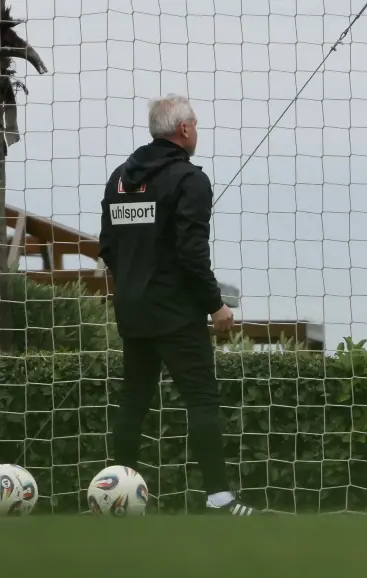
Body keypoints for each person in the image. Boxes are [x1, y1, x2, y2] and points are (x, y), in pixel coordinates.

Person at [98, 94, 257, 516]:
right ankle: (219, 499)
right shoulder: (190, 179)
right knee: (202, 401)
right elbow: (191, 252)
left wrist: (135, 284)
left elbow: (107, 247)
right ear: (184, 130)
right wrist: (215, 305)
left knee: (133, 401)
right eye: (196, 126)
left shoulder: (118, 179)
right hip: (177, 314)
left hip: (132, 311)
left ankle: (116, 498)